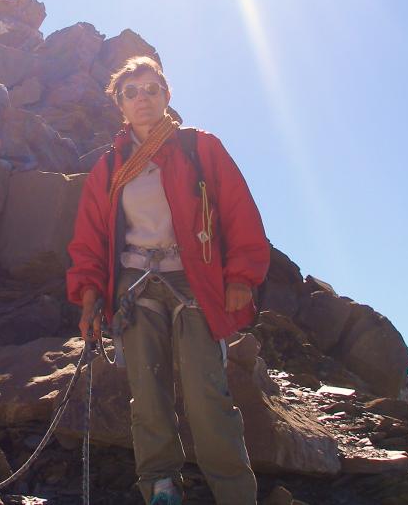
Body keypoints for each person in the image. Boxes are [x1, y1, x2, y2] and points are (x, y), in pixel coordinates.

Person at [67, 56, 270, 505]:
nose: (142, 98)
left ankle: (235, 494)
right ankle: (160, 487)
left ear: (166, 96)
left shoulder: (200, 148)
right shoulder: (109, 166)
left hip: (193, 280)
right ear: (120, 105)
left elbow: (238, 211)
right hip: (135, 285)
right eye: (131, 92)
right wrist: (89, 296)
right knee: (147, 395)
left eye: (151, 89)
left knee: (206, 393)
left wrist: (241, 276)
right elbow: (90, 238)